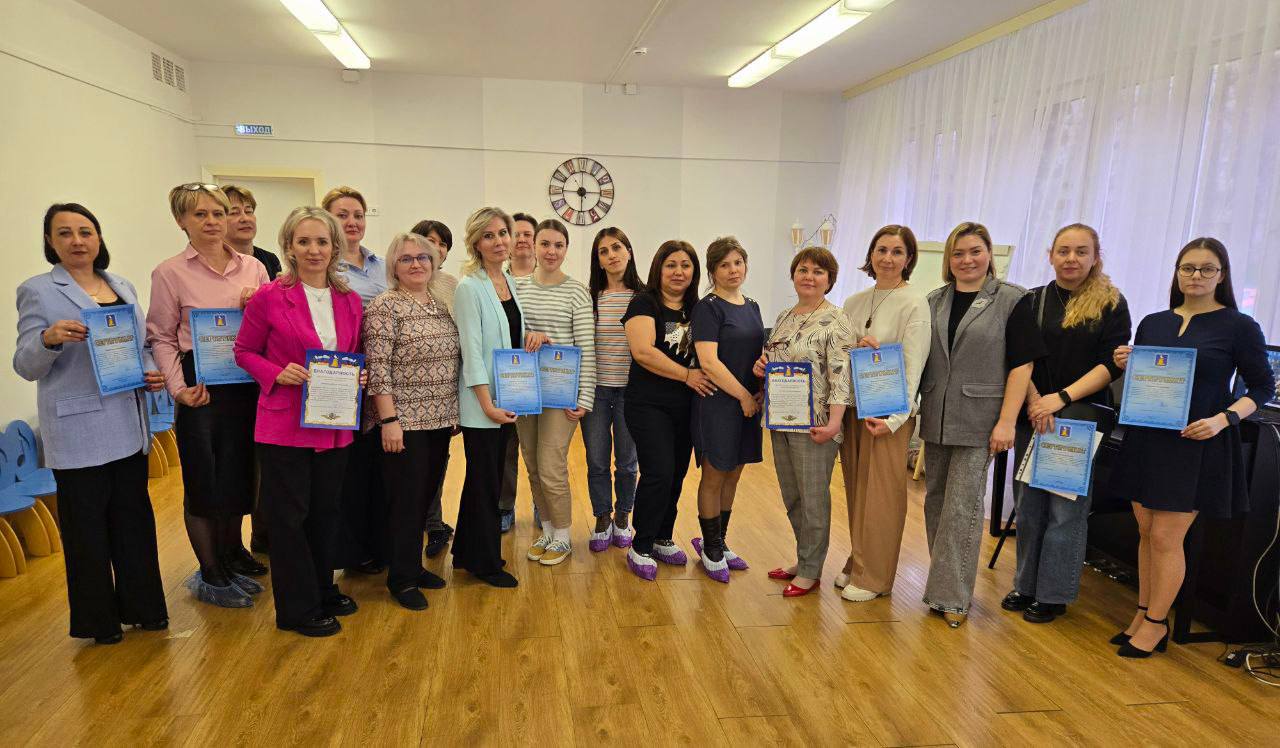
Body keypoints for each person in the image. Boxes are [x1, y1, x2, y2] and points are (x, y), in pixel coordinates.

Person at [1108, 237, 1272, 658]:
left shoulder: (1239, 326)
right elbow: (1147, 378)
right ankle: (1143, 613)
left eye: (1206, 268)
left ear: (1222, 275)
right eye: (1188, 268)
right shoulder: (1154, 322)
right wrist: (1128, 363)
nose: (1196, 276)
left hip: (1195, 443)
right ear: (1177, 273)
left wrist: (1224, 419)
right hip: (1148, 437)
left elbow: (1261, 387)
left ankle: (1156, 624)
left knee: (1167, 537)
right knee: (1146, 531)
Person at [14, 203, 168, 644]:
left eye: (85, 231)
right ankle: (99, 621)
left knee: (134, 523)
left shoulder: (121, 285)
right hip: (78, 430)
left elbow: (140, 347)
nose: (77, 241)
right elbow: (25, 365)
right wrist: (48, 340)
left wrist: (150, 372)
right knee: (87, 532)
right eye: (64, 233)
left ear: (99, 237)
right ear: (50, 241)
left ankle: (145, 608)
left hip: (129, 423)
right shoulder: (38, 290)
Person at [234, 206, 364, 637]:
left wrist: (359, 374)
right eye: (303, 241)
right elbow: (244, 352)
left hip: (334, 422)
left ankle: (323, 589)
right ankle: (296, 608)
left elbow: (351, 352)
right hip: (284, 425)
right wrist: (276, 372)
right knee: (290, 519)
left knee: (326, 512)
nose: (313, 250)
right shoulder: (269, 297)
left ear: (335, 246)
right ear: (289, 246)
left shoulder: (349, 300)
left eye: (322, 241)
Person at [1000, 224, 1131, 624]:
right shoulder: (1031, 301)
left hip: (1079, 417)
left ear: (1095, 257)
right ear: (1051, 255)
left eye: (1081, 251)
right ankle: (1025, 585)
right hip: (1033, 413)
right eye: (1064, 251)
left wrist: (1060, 398)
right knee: (1029, 505)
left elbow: (1110, 365)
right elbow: (1019, 357)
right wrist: (1036, 401)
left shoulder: (1111, 304)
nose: (1071, 258)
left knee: (1064, 510)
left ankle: (1053, 594)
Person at [146, 183, 269, 609]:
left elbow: (272, 326)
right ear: (181, 221)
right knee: (204, 480)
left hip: (245, 383)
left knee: (239, 474)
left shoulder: (254, 268)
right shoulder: (169, 273)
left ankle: (232, 554)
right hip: (200, 386)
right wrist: (178, 389)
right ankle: (211, 572)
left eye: (219, 213)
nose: (213, 221)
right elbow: (161, 337)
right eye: (200, 214)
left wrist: (259, 307)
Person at [919, 221, 1044, 628]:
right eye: (958, 253)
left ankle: (953, 597)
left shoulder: (1012, 300)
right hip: (936, 416)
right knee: (936, 503)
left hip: (981, 421)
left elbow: (1022, 365)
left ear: (989, 254)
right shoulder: (934, 300)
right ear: (948, 259)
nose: (967, 260)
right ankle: (942, 585)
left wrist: (1007, 421)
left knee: (963, 508)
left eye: (975, 251)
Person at [364, 233, 458, 610]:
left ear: (434, 263)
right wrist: (388, 419)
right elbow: (378, 368)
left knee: (424, 498)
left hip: (439, 419)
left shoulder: (440, 303)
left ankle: (414, 567)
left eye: (423, 257)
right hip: (403, 423)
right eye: (406, 259)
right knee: (405, 502)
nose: (416, 264)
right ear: (393, 267)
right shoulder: (385, 306)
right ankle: (401, 579)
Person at [838, 225, 931, 603]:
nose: (887, 258)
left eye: (896, 252)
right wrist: (854, 349)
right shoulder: (854, 302)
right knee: (857, 490)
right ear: (871, 255)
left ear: (908, 259)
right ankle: (859, 561)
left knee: (882, 496)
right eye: (881, 250)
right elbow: (840, 356)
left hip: (888, 413)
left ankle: (876, 577)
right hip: (854, 408)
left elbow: (914, 366)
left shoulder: (915, 303)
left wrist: (895, 420)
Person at [756, 247, 855, 596]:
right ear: (793, 274)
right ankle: (804, 558)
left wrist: (834, 423)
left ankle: (811, 571)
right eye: (803, 269)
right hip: (782, 419)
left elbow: (841, 376)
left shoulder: (837, 320)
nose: (809, 276)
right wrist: (762, 364)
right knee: (793, 496)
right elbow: (776, 357)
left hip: (816, 424)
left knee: (813, 499)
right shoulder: (785, 315)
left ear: (829, 280)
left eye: (818, 271)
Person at [622, 241, 715, 581]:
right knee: (658, 472)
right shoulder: (644, 302)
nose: (679, 272)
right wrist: (687, 376)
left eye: (686, 265)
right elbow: (643, 351)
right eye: (671, 265)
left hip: (687, 406)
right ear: (658, 269)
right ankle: (641, 544)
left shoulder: (698, 308)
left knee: (676, 473)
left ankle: (663, 536)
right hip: (648, 405)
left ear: (695, 271)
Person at [516, 219, 596, 567]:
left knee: (551, 465)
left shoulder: (577, 291)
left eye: (558, 245)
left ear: (566, 249)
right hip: (524, 390)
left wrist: (585, 397)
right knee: (533, 465)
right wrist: (527, 338)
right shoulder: (517, 287)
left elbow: (586, 348)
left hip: (561, 394)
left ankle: (563, 534)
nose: (551, 251)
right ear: (533, 246)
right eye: (545, 244)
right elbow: (509, 335)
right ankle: (547, 530)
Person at [450, 207, 522, 588]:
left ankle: (467, 551)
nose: (498, 241)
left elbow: (508, 334)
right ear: (476, 243)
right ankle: (486, 563)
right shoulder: (469, 287)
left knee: (485, 479)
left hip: (506, 398)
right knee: (485, 482)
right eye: (489, 235)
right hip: (483, 405)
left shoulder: (506, 280)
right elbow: (472, 351)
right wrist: (487, 405)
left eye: (503, 233)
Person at [690, 237, 765, 583]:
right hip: (719, 403)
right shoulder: (708, 308)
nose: (733, 270)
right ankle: (710, 548)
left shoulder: (753, 306)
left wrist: (760, 387)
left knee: (734, 473)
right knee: (715, 474)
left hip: (748, 404)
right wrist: (744, 396)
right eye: (724, 265)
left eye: (738, 262)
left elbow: (756, 355)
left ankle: (719, 541)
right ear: (713, 271)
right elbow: (709, 362)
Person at [323, 186, 388, 577]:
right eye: (342, 215)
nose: (352, 222)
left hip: (382, 376)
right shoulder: (323, 267)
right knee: (347, 469)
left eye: (358, 215)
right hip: (343, 377)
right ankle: (349, 551)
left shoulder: (381, 265)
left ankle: (377, 545)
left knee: (378, 466)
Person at [222, 183, 279, 556]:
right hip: (223, 377)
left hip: (266, 375)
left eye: (248, 210)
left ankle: (264, 534)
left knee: (266, 462)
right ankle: (229, 548)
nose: (244, 218)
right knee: (232, 464)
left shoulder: (268, 261)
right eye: (233, 211)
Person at [581, 227, 644, 552]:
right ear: (598, 260)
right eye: (603, 251)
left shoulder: (644, 297)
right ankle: (602, 517)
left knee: (627, 462)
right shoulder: (589, 297)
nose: (611, 255)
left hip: (631, 393)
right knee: (596, 461)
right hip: (595, 391)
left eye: (617, 247)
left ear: (629, 252)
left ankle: (622, 517)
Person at [410, 218, 458, 556]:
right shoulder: (399, 286)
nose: (436, 248)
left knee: (439, 462)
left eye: (443, 244)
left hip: (445, 393)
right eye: (430, 241)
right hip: (410, 398)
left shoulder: (453, 285)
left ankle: (434, 522)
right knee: (415, 468)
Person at [498, 211, 538, 532]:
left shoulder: (549, 279)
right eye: (517, 234)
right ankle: (504, 507)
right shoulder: (496, 280)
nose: (522, 239)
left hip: (543, 377)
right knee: (506, 448)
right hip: (507, 377)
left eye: (528, 234)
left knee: (539, 450)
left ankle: (543, 504)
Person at [222, 184, 283, 280]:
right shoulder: (215, 261)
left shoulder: (270, 260)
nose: (245, 218)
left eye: (248, 211)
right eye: (234, 213)